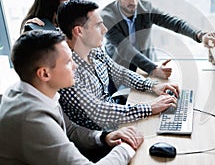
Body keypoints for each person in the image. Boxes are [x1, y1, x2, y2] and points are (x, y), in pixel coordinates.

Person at [0, 30, 144, 164]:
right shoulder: (32, 120)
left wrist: (104, 137)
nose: (75, 66)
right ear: (44, 74)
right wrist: (126, 147)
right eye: (68, 61)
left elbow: (71, 130)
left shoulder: (33, 89)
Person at [57, 0, 179, 131]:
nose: (105, 30)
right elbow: (98, 111)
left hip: (117, 121)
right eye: (98, 25)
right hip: (101, 135)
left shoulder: (93, 50)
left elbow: (119, 72)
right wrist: (150, 108)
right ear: (79, 31)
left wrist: (152, 86)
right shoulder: (66, 69)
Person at [101, 0, 215, 80]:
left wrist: (200, 35)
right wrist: (154, 69)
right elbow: (125, 49)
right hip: (120, 66)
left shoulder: (146, 8)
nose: (134, 1)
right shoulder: (106, 17)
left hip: (146, 63)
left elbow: (175, 23)